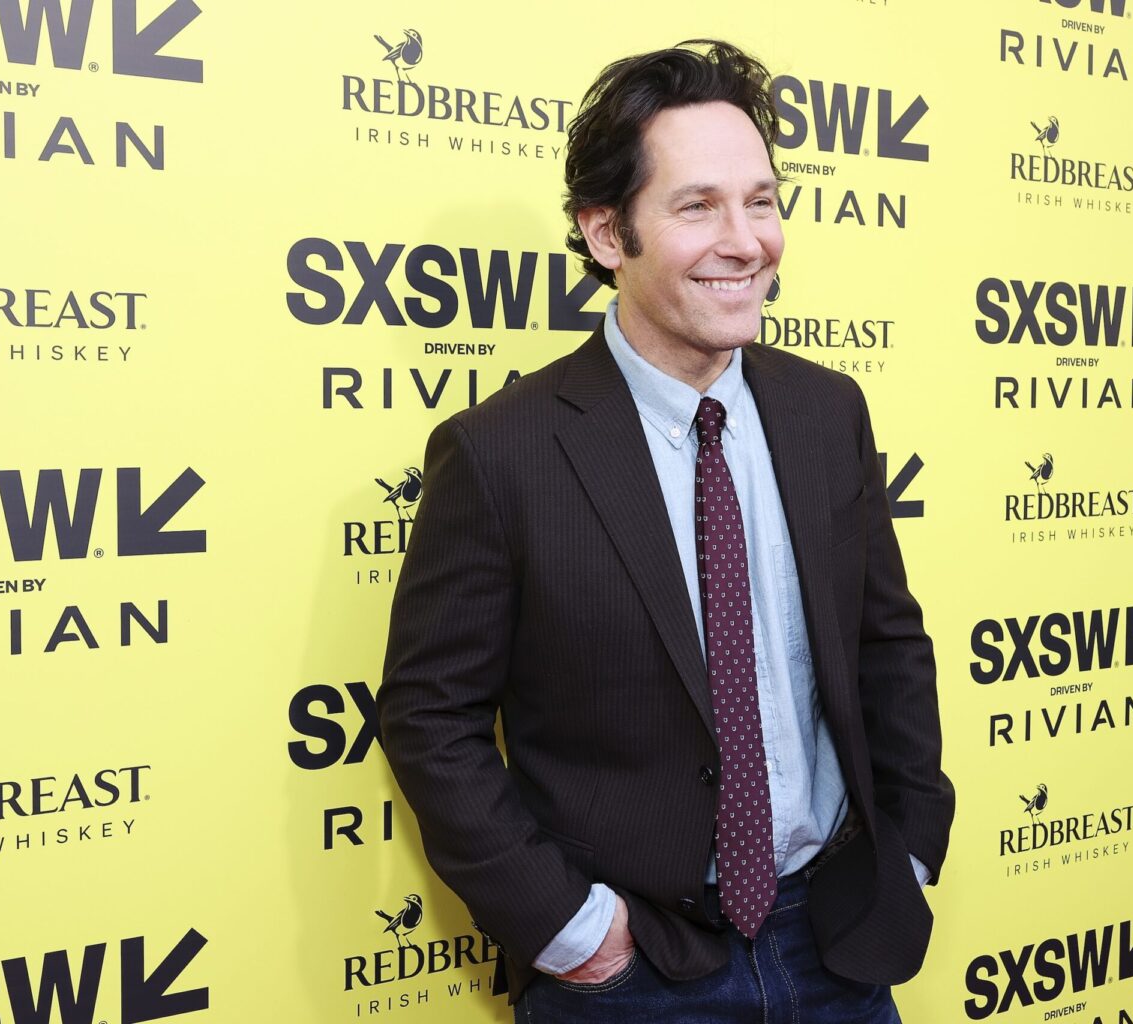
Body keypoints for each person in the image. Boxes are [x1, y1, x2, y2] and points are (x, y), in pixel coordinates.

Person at [377, 39, 954, 1022]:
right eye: (698, 206)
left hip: (840, 944)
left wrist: (908, 845)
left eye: (761, 201)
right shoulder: (500, 454)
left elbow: (886, 641)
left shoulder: (827, 414)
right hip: (631, 977)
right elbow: (432, 719)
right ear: (607, 233)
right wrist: (569, 928)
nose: (745, 241)